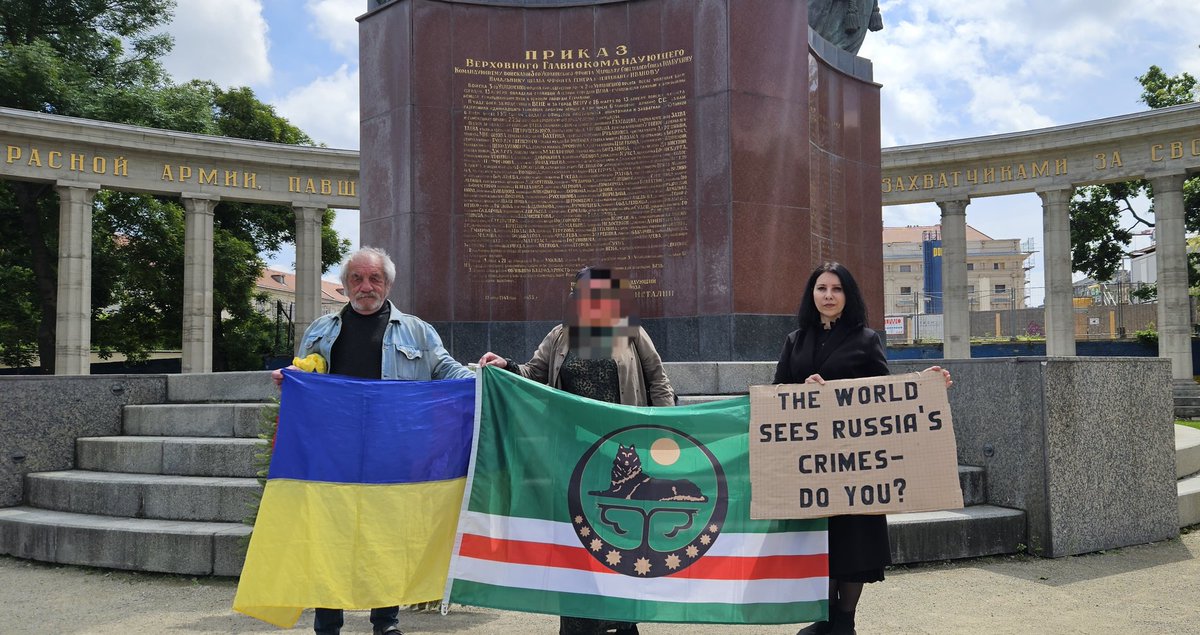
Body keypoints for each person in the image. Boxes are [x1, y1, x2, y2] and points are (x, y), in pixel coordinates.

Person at [272, 246, 473, 635]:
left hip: (393, 452)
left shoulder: (417, 330)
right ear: (346, 285)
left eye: (374, 278)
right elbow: (303, 378)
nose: (366, 286)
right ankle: (327, 624)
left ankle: (386, 623)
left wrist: (483, 378)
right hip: (333, 453)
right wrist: (289, 381)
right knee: (328, 537)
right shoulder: (320, 329)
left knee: (389, 537)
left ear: (388, 283)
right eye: (357, 279)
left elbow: (445, 369)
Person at [478, 266, 675, 635]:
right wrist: (505, 365)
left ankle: (622, 620)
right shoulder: (560, 336)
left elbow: (658, 380)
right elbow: (533, 373)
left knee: (620, 539)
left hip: (621, 456)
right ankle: (578, 622)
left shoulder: (631, 333)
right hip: (571, 456)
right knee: (577, 539)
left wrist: (661, 430)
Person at [775, 262, 951, 635]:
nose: (828, 295)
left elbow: (886, 394)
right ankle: (824, 620)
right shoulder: (794, 340)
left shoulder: (866, 339)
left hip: (857, 462)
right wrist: (800, 389)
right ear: (812, 294)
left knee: (853, 540)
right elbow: (775, 393)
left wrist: (924, 384)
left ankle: (845, 621)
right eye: (821, 288)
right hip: (811, 462)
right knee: (821, 540)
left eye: (836, 289)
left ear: (848, 295)